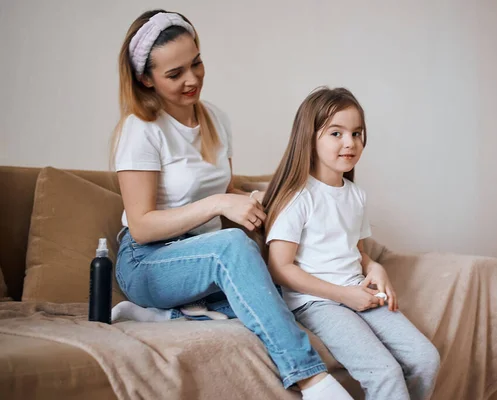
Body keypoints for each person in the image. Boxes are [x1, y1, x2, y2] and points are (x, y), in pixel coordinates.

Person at [109, 10, 352, 399]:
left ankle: (165, 315)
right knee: (233, 248)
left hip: (202, 259)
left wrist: (252, 201)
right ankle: (312, 379)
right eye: (175, 74)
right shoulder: (141, 130)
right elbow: (141, 225)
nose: (192, 80)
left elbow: (226, 189)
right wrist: (219, 204)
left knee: (280, 290)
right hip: (146, 261)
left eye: (196, 63)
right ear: (145, 79)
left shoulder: (216, 120)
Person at [263, 87, 441, 400]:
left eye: (357, 133)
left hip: (357, 290)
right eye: (336, 133)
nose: (350, 143)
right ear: (309, 137)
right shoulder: (298, 197)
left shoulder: (356, 196)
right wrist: (344, 296)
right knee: (385, 373)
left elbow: (356, 252)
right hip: (317, 302)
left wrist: (375, 267)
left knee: (426, 359)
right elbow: (280, 268)